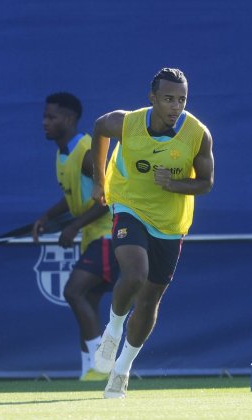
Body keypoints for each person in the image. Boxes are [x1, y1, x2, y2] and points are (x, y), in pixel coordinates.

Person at [91, 68, 214, 398]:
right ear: (152, 98)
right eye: (168, 99)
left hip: (170, 224)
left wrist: (174, 185)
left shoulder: (197, 133)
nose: (176, 106)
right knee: (134, 274)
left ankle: (123, 369)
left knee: (150, 298)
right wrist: (99, 180)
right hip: (129, 205)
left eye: (182, 99)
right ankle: (113, 331)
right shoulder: (126, 123)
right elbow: (99, 129)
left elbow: (206, 182)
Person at [33, 92, 120, 381]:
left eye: (51, 117)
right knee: (88, 301)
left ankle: (102, 367)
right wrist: (47, 217)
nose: (45, 122)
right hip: (94, 237)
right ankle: (90, 373)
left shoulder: (85, 152)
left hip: (108, 236)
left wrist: (71, 226)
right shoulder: (63, 153)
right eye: (45, 116)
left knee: (73, 292)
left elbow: (106, 197)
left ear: (69, 119)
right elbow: (72, 196)